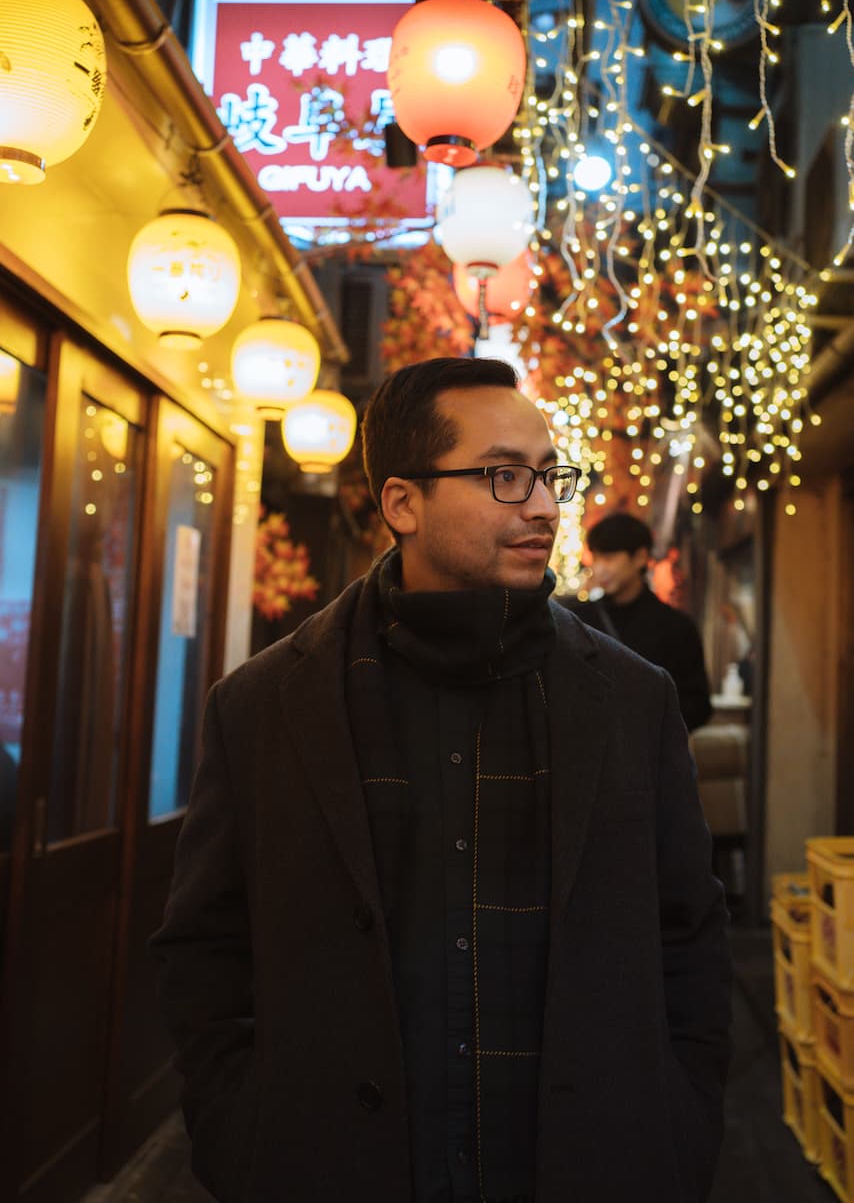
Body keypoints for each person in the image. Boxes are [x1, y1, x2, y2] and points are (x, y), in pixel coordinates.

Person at [151, 357, 731, 1203]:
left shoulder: (632, 701)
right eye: (503, 477)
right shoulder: (267, 704)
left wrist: (680, 1130)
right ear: (402, 504)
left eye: (547, 476)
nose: (543, 506)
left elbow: (691, 931)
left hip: (587, 1163)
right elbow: (204, 948)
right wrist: (239, 1136)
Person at [562, 512, 712, 733]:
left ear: (640, 557)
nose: (600, 568)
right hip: (587, 756)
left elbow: (698, 707)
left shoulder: (677, 628)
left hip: (649, 760)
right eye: (596, 557)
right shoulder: (580, 620)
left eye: (609, 558)